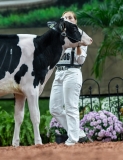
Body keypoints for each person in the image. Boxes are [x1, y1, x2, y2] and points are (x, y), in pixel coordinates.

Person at [49, 11, 91, 146]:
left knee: (71, 107)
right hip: (59, 73)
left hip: (72, 72)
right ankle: (78, 133)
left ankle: (72, 139)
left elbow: (80, 61)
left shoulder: (81, 36)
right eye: (64, 17)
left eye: (70, 17)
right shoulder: (58, 36)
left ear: (75, 21)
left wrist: (78, 45)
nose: (67, 19)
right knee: (54, 108)